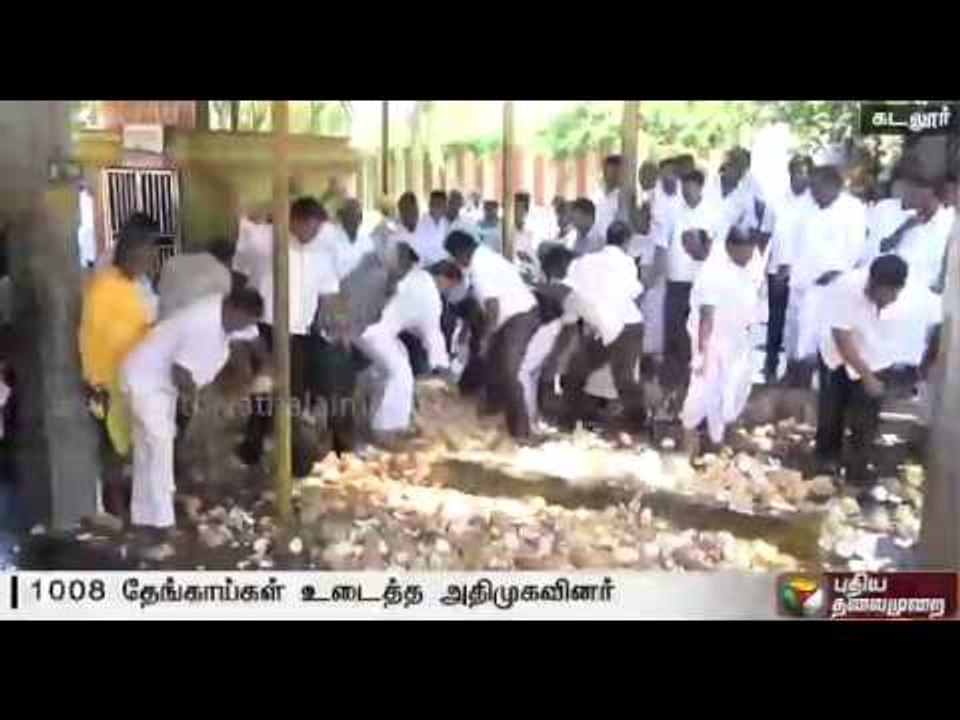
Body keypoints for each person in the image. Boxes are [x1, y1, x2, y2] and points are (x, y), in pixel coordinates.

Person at [122, 288, 263, 539]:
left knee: (151, 449)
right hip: (146, 381)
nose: (243, 327)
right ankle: (162, 523)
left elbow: (253, 337)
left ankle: (145, 515)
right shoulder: (203, 326)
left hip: (161, 384)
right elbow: (181, 373)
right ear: (231, 309)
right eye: (242, 321)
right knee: (158, 446)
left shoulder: (229, 317)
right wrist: (195, 401)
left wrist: (268, 368)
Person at [237, 197, 340, 475]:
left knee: (294, 393)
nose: (313, 234)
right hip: (267, 327)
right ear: (294, 220)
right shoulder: (265, 240)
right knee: (268, 390)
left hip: (301, 331)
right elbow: (241, 230)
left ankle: (286, 454)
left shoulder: (321, 252)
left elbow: (328, 293)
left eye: (318, 229)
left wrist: (335, 325)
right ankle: (256, 449)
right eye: (310, 227)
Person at [79, 216, 158, 516]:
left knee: (129, 448)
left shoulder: (136, 285)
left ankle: (131, 507)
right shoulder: (103, 288)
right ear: (125, 250)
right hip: (107, 384)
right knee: (113, 450)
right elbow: (89, 339)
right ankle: (116, 512)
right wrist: (95, 384)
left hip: (135, 381)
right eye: (142, 253)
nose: (147, 260)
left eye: (150, 253)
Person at [815, 255, 910, 488]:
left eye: (894, 294)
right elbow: (842, 337)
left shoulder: (905, 301)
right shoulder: (846, 289)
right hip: (836, 357)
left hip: (875, 358)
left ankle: (857, 472)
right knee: (831, 413)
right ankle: (827, 465)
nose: (890, 300)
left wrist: (877, 377)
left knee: (866, 419)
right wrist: (865, 376)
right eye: (886, 294)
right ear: (872, 283)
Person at [444, 230, 540, 439]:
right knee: (492, 366)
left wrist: (487, 338)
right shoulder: (485, 257)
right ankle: (495, 415)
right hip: (511, 317)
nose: (457, 262)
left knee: (507, 371)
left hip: (518, 316)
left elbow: (492, 307)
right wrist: (471, 333)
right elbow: (480, 308)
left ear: (461, 253)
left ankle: (521, 433)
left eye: (455, 257)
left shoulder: (480, 267)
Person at [554, 221, 646, 433]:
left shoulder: (585, 261)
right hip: (627, 324)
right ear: (627, 241)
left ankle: (568, 420)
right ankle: (637, 422)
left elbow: (570, 290)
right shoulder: (627, 263)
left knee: (577, 370)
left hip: (602, 324)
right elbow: (633, 292)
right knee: (623, 377)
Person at [356, 239, 448, 443]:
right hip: (371, 331)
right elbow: (432, 332)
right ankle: (386, 429)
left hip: (367, 328)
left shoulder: (411, 277)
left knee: (397, 361)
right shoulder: (428, 289)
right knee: (400, 373)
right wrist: (441, 366)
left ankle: (382, 421)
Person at [784, 165, 867, 387]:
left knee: (828, 343)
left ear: (835, 187)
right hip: (803, 285)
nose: (813, 192)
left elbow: (857, 248)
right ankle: (797, 385)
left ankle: (825, 389)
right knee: (800, 341)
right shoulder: (806, 206)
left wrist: (838, 272)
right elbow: (793, 240)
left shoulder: (853, 209)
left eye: (817, 188)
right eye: (812, 188)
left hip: (834, 288)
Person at [681, 227, 762, 454]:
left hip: (736, 342)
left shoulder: (746, 267)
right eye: (743, 252)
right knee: (702, 392)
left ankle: (717, 441)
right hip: (712, 343)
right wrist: (702, 354)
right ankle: (689, 443)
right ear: (730, 248)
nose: (748, 256)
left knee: (729, 392)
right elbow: (706, 317)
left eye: (751, 251)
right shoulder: (712, 272)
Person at [658, 169, 721, 407]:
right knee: (672, 337)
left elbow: (714, 250)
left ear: (700, 187)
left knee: (692, 338)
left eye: (690, 187)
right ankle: (669, 389)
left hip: (699, 286)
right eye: (683, 187)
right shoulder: (673, 212)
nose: (686, 192)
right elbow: (662, 246)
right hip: (675, 283)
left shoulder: (711, 213)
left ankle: (690, 390)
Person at [764, 155, 814, 382]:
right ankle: (770, 365)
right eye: (796, 172)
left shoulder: (814, 204)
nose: (800, 177)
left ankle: (796, 369)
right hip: (777, 270)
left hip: (802, 272)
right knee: (776, 319)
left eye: (804, 173)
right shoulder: (776, 200)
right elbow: (766, 234)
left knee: (799, 323)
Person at [871, 175, 953, 292]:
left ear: (936, 196)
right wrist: (903, 228)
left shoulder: (949, 223)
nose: (912, 195)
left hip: (926, 292)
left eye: (919, 194)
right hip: (894, 288)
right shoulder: (906, 216)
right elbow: (882, 248)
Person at [157, 238, 235, 319]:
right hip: (195, 324)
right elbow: (222, 302)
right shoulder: (224, 274)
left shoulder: (173, 261)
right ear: (229, 259)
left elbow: (160, 289)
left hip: (164, 320)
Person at [412, 190, 450, 267]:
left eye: (441, 204)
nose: (437, 207)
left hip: (444, 265)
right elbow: (421, 251)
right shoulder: (421, 224)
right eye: (435, 204)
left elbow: (448, 247)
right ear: (430, 205)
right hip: (427, 267)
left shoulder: (446, 223)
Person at [592, 154, 625, 239]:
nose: (613, 176)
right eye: (611, 172)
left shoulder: (623, 198)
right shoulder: (596, 196)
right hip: (595, 243)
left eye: (617, 172)